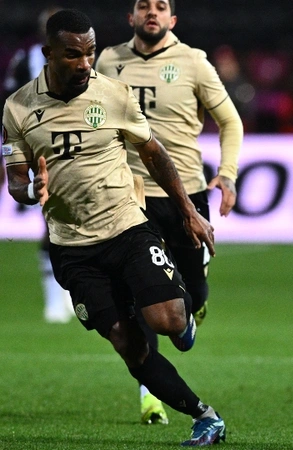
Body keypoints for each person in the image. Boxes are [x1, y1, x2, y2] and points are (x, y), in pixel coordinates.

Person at [3, 9, 226, 446]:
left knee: (168, 319)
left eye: (90, 53)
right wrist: (32, 189)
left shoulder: (113, 94)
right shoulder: (18, 108)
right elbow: (15, 181)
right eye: (73, 55)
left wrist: (187, 210)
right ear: (49, 54)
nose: (85, 63)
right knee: (129, 344)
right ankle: (205, 417)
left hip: (127, 228)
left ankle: (180, 315)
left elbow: (154, 152)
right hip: (73, 248)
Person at [95, 0, 243, 426]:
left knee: (190, 294)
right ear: (131, 17)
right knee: (139, 294)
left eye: (160, 6)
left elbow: (230, 121)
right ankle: (150, 394)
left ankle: (193, 306)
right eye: (144, 6)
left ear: (172, 19)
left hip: (185, 195)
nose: (152, 12)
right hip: (129, 197)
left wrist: (227, 175)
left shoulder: (193, 62)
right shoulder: (108, 61)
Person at [2, 4, 75, 324]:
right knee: (52, 220)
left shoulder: (82, 61)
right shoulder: (26, 60)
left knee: (76, 224)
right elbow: (8, 105)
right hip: (38, 150)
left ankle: (72, 292)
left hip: (76, 150)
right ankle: (54, 300)